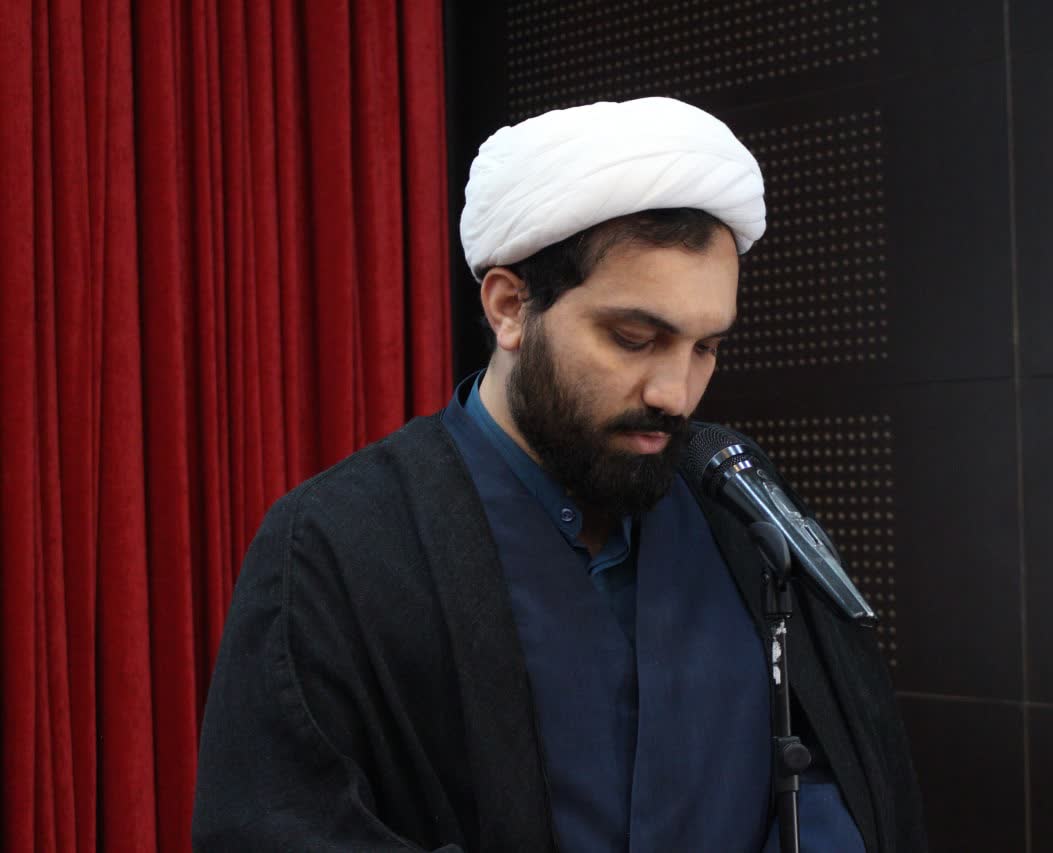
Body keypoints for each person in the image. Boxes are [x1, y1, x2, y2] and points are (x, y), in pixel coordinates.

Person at [192, 97, 926, 852]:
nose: (675, 394)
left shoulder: (736, 505)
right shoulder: (336, 544)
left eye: (705, 348)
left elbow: (840, 778)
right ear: (510, 307)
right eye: (634, 338)